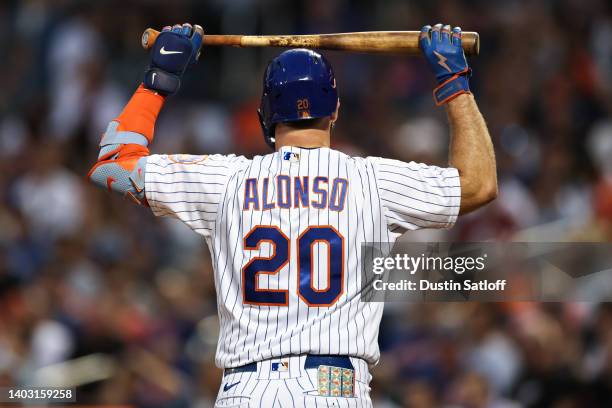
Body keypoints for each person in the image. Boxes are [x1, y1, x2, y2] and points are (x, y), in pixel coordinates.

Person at [88, 22, 497, 407]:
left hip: (247, 389)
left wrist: (157, 81)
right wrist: (453, 84)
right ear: (334, 110)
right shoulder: (372, 181)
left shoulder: (227, 180)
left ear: (265, 115)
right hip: (334, 388)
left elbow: (113, 166)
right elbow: (479, 184)